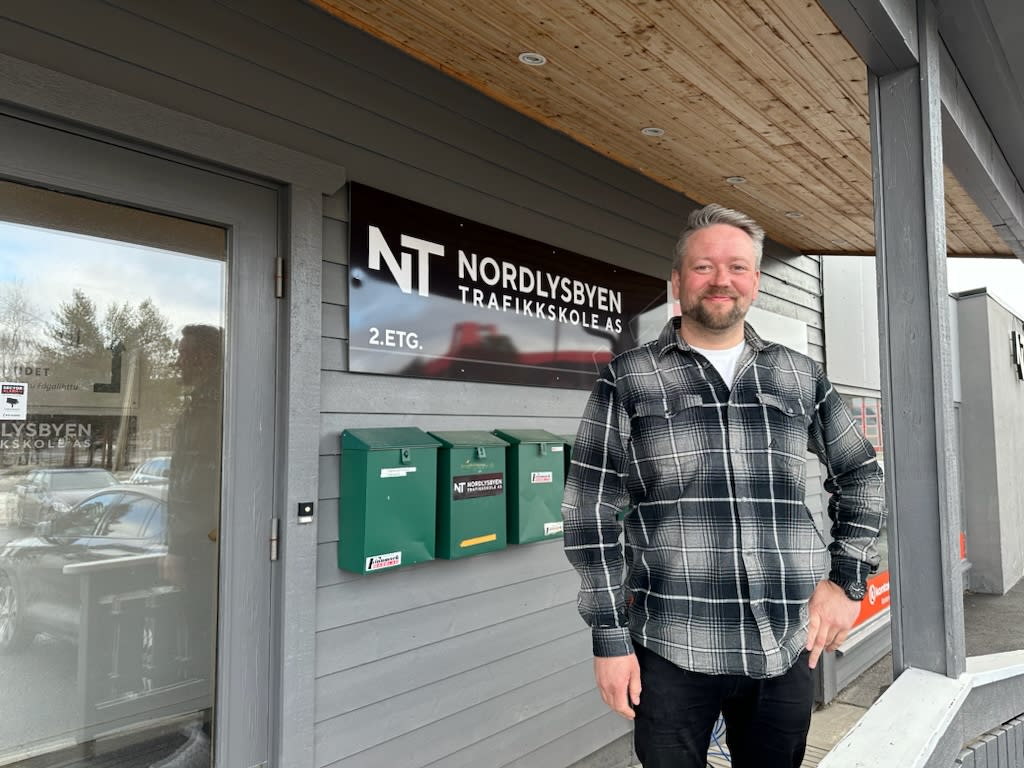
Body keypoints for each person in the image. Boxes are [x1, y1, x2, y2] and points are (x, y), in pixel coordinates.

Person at [561, 204, 885, 768]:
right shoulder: (628, 377)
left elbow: (859, 474)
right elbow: (589, 510)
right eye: (703, 266)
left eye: (736, 267)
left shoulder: (798, 374)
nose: (721, 280)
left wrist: (846, 581)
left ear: (755, 281)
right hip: (671, 645)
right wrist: (609, 638)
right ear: (677, 280)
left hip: (785, 641)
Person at [153, 323, 223, 768]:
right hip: (201, 544)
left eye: (184, 353)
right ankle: (207, 726)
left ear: (205, 358)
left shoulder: (216, 404)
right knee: (201, 639)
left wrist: (178, 546)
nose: (177, 360)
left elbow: (198, 485)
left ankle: (211, 738)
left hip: (204, 549)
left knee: (204, 641)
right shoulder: (202, 401)